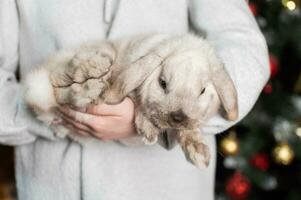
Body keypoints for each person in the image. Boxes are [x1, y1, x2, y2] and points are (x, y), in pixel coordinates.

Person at [0, 0, 269, 199]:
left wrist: (155, 116)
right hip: (57, 186)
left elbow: (244, 47)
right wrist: (52, 112)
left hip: (167, 186)